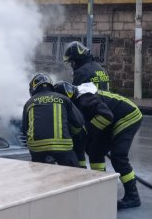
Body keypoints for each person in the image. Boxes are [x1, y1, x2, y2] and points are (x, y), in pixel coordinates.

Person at [55, 81, 143, 209]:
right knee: (95, 152)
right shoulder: (76, 99)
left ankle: (133, 196)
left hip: (128, 115)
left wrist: (87, 132)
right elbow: (80, 143)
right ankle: (99, 189)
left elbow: (106, 116)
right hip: (112, 119)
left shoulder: (85, 99)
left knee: (118, 156)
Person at [21, 73, 86, 167]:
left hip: (37, 148)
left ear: (33, 88)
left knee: (40, 176)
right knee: (73, 173)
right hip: (63, 147)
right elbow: (79, 122)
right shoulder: (63, 99)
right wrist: (70, 133)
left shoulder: (29, 102)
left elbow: (24, 129)